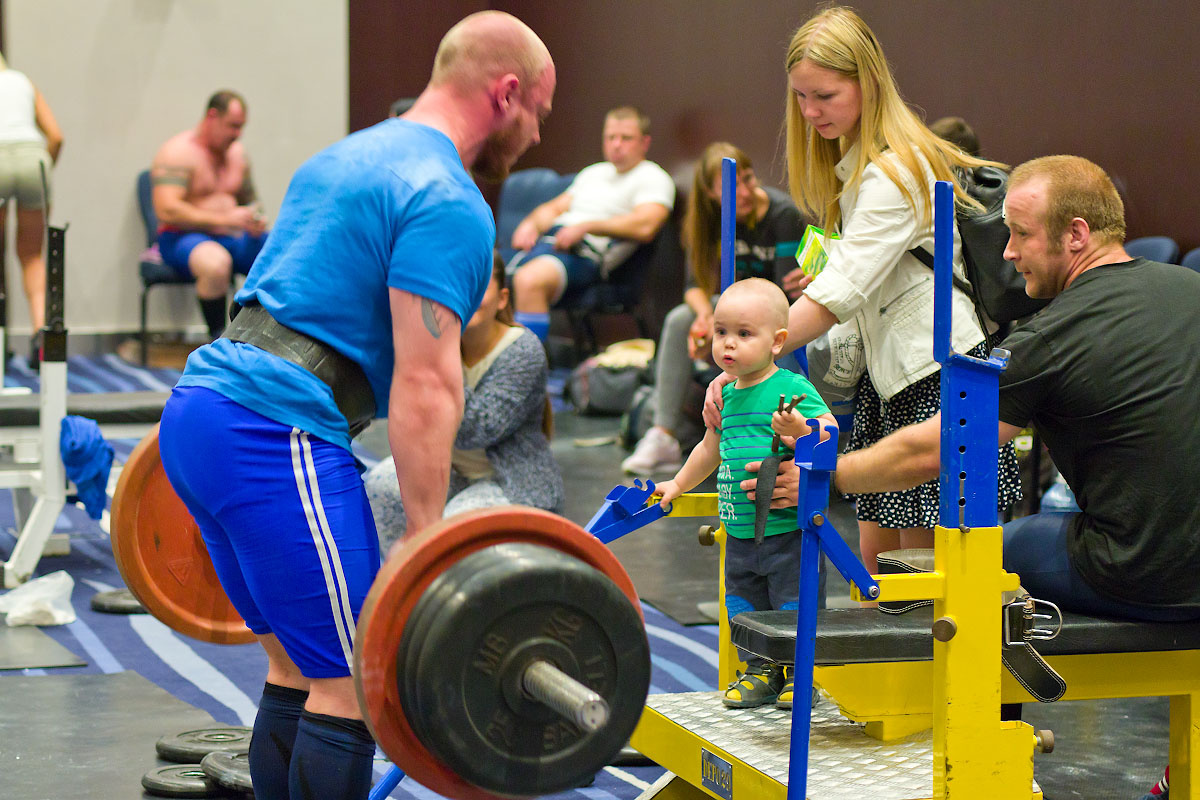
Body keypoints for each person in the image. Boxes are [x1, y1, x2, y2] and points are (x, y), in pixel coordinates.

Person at [156, 12, 555, 800]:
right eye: (541, 108)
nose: (540, 133)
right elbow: (427, 382)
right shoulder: (448, 197)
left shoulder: (343, 155)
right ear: (507, 93)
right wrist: (426, 540)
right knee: (353, 688)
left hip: (197, 413)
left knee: (297, 668)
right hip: (276, 430)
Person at [824, 154, 1200, 800]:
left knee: (995, 556)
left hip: (1141, 572)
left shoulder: (1048, 338)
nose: (1007, 252)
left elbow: (937, 449)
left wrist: (833, 472)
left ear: (1076, 235)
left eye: (1020, 234)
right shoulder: (1190, 291)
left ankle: (992, 760)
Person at [705, 6, 1020, 574]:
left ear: (868, 83)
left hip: (936, 371)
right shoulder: (858, 166)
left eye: (824, 95)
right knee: (882, 575)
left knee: (928, 582)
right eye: (801, 98)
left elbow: (835, 298)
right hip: (893, 375)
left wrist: (740, 361)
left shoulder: (896, 171)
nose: (809, 112)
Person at [654, 278, 835, 709]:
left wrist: (800, 432)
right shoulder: (726, 396)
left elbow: (829, 432)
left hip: (787, 530)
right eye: (721, 332)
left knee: (794, 604)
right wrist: (677, 483)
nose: (728, 345)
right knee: (743, 606)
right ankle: (759, 670)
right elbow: (708, 449)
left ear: (777, 342)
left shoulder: (789, 388)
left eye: (743, 334)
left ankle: (798, 674)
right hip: (738, 533)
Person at [622, 141, 809, 474]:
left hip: (773, 309)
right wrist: (707, 319)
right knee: (680, 318)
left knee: (780, 329)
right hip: (727, 307)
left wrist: (728, 325)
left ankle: (785, 438)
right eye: (732, 188)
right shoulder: (707, 223)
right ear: (710, 194)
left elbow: (784, 292)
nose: (746, 192)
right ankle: (663, 434)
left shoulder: (783, 215)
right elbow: (695, 288)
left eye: (749, 179)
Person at [364, 251, 563, 551]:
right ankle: (398, 585)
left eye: (479, 285)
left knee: (453, 532)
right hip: (451, 470)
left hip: (508, 480)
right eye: (457, 284)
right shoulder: (438, 342)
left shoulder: (523, 350)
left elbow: (476, 429)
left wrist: (436, 351)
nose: (466, 295)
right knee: (378, 486)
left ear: (502, 299)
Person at [508, 105, 675, 341]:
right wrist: (530, 225)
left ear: (644, 143)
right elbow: (554, 208)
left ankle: (526, 371)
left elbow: (646, 226)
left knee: (529, 280)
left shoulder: (653, 177)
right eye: (611, 137)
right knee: (484, 276)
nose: (617, 144)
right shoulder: (593, 173)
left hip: (586, 254)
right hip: (551, 243)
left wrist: (586, 227)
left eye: (626, 138)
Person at [150, 90, 269, 340]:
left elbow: (250, 201)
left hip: (232, 236)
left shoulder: (238, 155)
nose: (237, 134)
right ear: (212, 116)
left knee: (279, 253)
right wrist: (225, 220)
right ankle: (218, 339)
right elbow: (167, 210)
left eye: (241, 127)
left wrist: (256, 219)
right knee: (215, 264)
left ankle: (264, 337)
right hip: (183, 238)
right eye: (232, 126)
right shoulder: (178, 153)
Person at [0, 53, 63, 362]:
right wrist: (44, 169)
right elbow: (56, 136)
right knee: (32, 256)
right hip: (32, 157)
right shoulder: (23, 81)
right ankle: (40, 334)